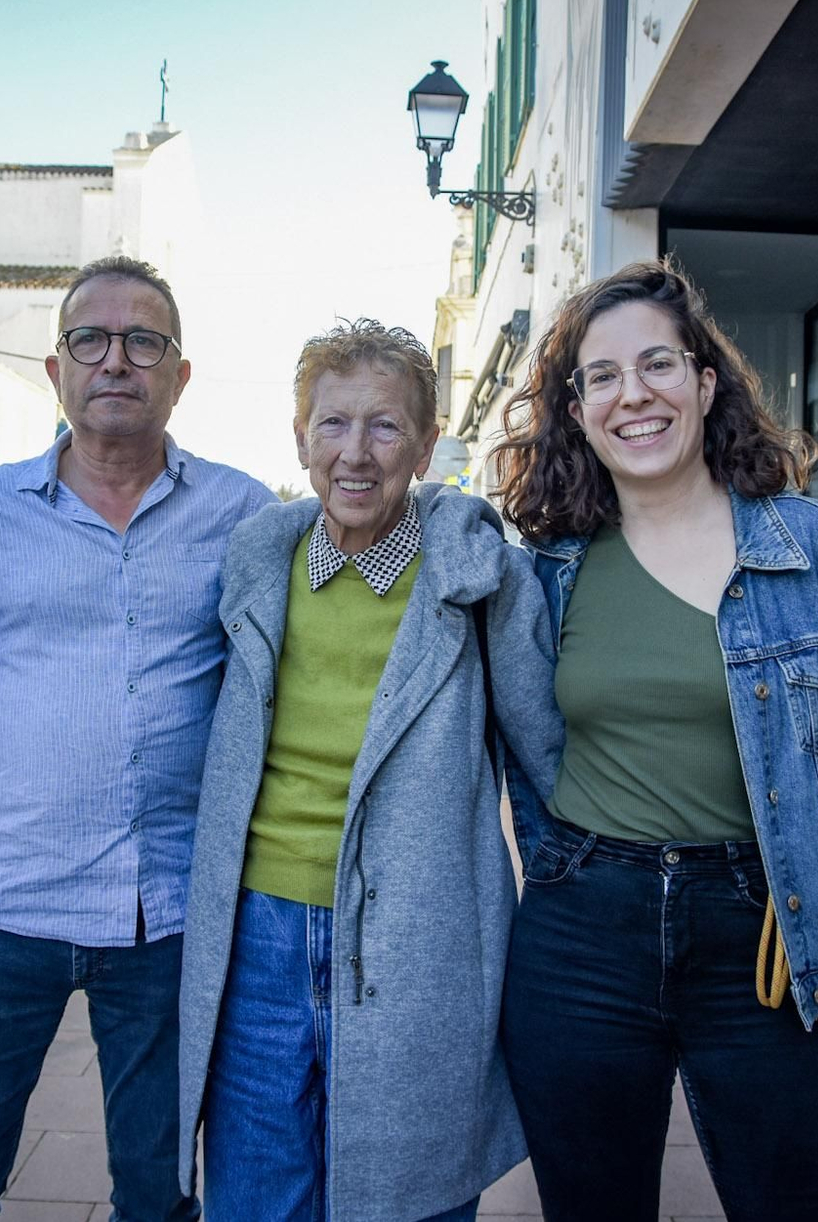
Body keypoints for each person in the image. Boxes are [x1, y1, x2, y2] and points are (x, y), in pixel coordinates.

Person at [490, 260, 818, 1221]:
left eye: (656, 364)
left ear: (703, 382)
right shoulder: (545, 573)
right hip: (580, 931)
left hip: (761, 929)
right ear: (575, 409)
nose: (632, 394)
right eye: (600, 376)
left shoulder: (817, 555)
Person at [0, 255, 275, 1222]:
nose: (116, 360)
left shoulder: (244, 514)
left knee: (161, 1194)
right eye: (91, 339)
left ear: (179, 374)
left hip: (167, 917)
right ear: (57, 371)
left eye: (144, 341)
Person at [175, 320, 562, 1222]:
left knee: (408, 1195)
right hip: (257, 935)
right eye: (332, 425)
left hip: (418, 940)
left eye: (385, 427)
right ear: (299, 438)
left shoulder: (478, 579)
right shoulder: (258, 559)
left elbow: (545, 762)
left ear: (426, 446)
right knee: (257, 1194)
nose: (356, 453)